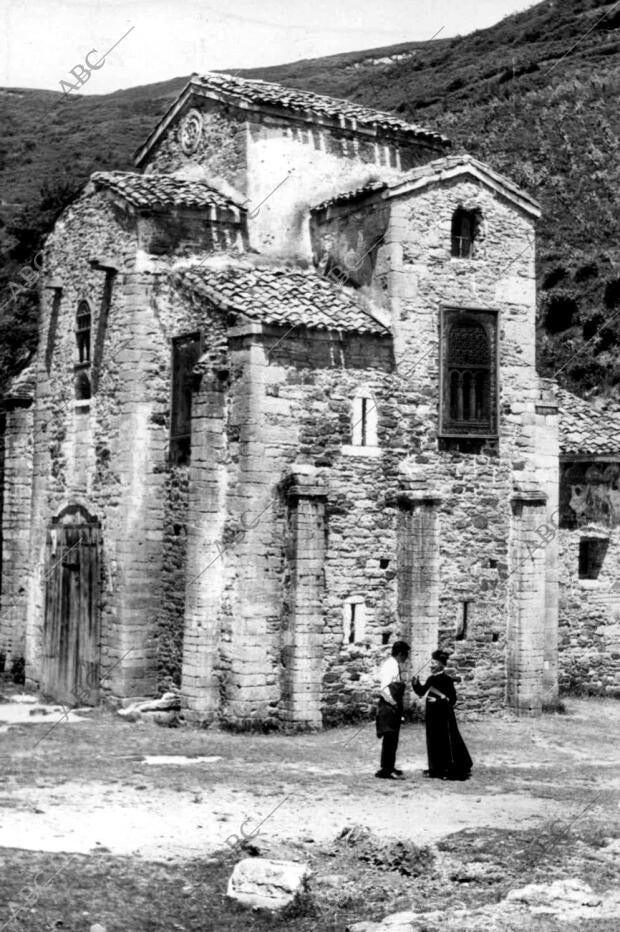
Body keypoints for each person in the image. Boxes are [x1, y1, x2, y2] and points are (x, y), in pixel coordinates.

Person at [412, 649, 472, 781]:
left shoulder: (447, 680)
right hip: (432, 716)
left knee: (445, 742)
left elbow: (452, 699)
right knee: (433, 740)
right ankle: (435, 769)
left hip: (444, 717)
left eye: (434, 662)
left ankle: (448, 769)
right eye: (431, 662)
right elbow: (422, 692)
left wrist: (438, 700)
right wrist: (415, 683)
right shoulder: (431, 679)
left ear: (441, 664)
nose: (431, 665)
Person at [375, 640, 410, 779]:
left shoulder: (395, 665)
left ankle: (389, 766)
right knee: (390, 738)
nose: (407, 657)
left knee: (393, 738)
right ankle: (386, 769)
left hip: (394, 706)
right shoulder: (389, 666)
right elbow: (384, 689)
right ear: (401, 653)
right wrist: (393, 703)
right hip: (389, 706)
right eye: (406, 654)